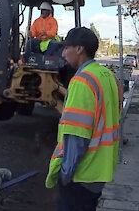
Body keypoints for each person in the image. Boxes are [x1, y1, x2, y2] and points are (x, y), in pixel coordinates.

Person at [45, 27, 122, 211]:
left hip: (82, 176)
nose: (63, 53)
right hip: (100, 171)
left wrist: (65, 175)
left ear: (79, 49)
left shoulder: (82, 81)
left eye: (66, 48)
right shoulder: (106, 76)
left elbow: (76, 136)